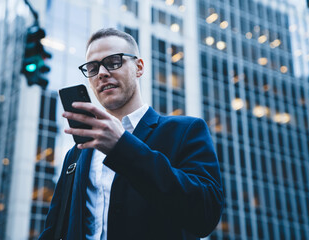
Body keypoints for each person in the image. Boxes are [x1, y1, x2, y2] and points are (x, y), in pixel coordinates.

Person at [39, 28, 224, 240]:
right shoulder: (78, 152)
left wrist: (123, 147)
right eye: (92, 67)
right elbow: (53, 228)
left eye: (113, 61)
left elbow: (205, 215)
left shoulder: (185, 131)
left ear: (139, 67)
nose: (102, 73)